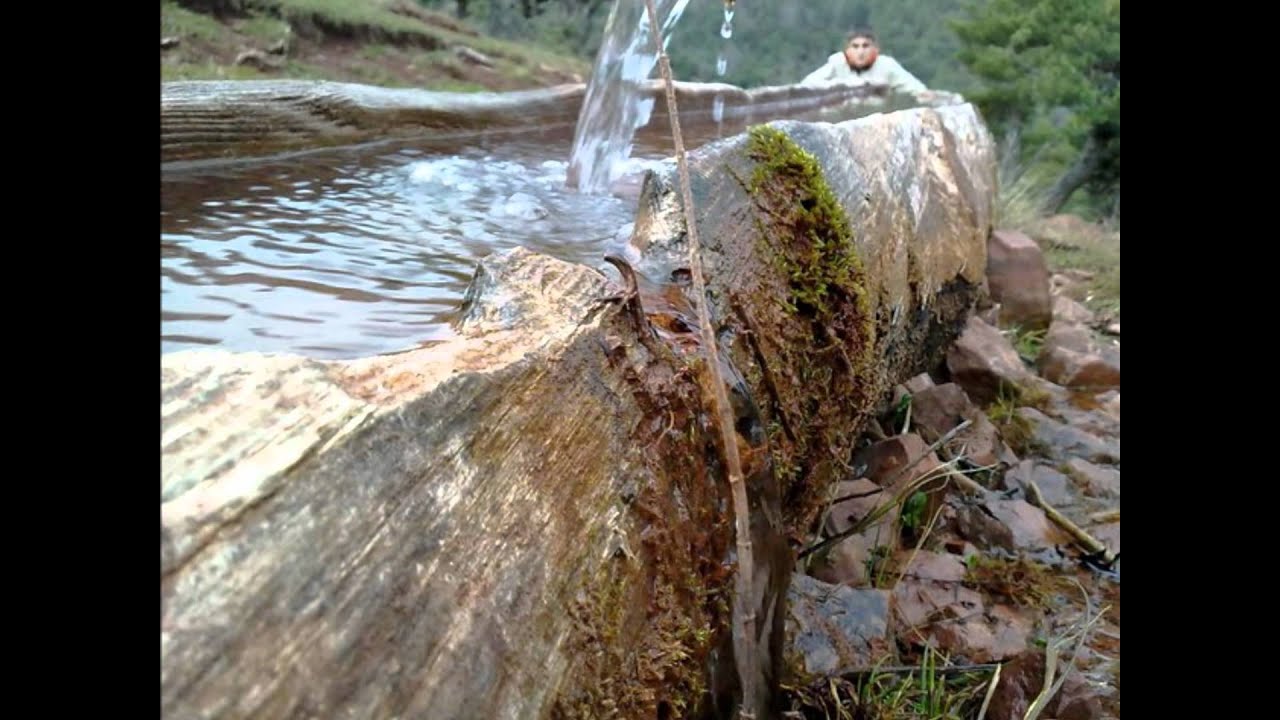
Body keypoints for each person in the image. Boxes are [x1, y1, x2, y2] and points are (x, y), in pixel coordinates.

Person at [801, 28, 936, 102]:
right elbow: (808, 84)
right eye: (855, 46)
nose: (860, 51)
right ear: (847, 50)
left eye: (865, 46)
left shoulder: (886, 65)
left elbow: (912, 86)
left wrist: (923, 94)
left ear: (875, 49)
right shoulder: (837, 63)